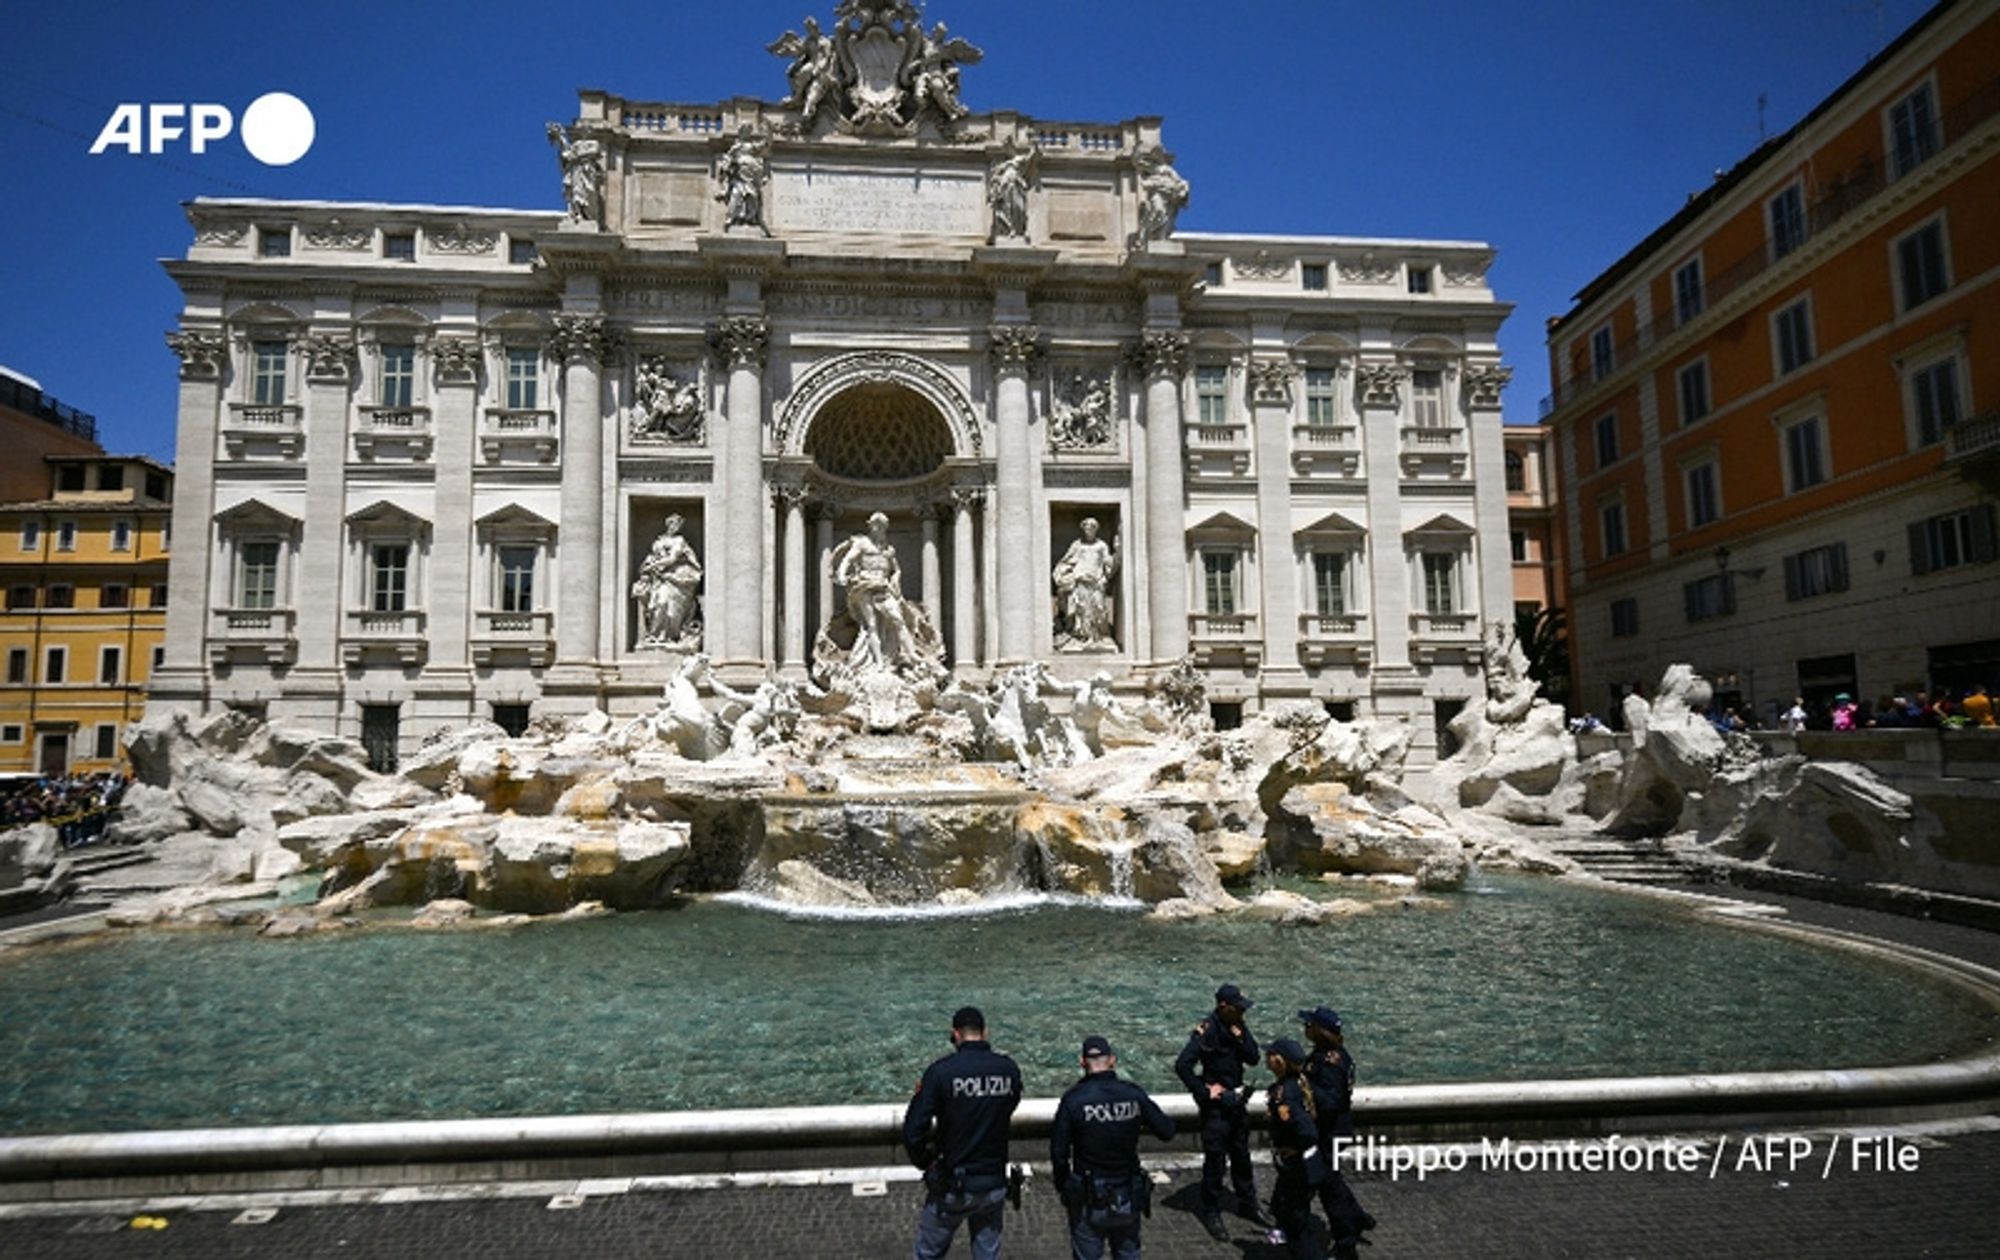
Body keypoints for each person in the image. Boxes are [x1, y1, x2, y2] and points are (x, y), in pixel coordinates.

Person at [904, 1006, 1024, 1260]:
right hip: (993, 1180)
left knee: (928, 1254)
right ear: (985, 1033)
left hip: (952, 1183)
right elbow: (1009, 1106)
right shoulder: (1008, 1070)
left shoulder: (940, 1072)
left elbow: (914, 1131)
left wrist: (926, 1163)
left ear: (954, 1034)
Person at [1050, 1035, 1176, 1260]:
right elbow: (1167, 1131)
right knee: (1128, 1253)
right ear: (1112, 1061)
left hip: (1088, 1194)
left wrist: (1064, 1186)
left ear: (1082, 1062)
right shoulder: (1133, 1094)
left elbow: (1058, 1152)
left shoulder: (1073, 1099)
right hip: (1127, 1189)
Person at [1174, 983, 1270, 1240]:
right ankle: (1211, 1209)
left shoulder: (1237, 1026)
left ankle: (1248, 1204)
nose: (1242, 1013)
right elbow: (1183, 1065)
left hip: (1237, 1103)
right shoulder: (1207, 1030)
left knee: (1241, 1156)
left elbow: (1253, 1058)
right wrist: (1204, 1091)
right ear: (1223, 1006)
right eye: (1237, 1008)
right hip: (1215, 1108)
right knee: (1215, 1161)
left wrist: (1241, 1037)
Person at [1299, 1007, 1375, 1260]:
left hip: (1328, 1133)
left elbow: (1331, 1101)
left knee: (1329, 1191)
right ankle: (1358, 1218)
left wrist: (1306, 1087)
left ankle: (1346, 1245)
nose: (1305, 1028)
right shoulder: (1332, 1055)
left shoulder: (1328, 1062)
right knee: (1332, 1181)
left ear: (1319, 1031)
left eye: (1309, 1024)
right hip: (1334, 1131)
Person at [1261, 1039, 1327, 1260]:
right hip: (1306, 1164)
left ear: (1279, 1061)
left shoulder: (1284, 1095)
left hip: (1300, 1166)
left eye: (1270, 1054)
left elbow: (1307, 1132)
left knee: (1296, 1223)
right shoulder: (1299, 1082)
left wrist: (1294, 1149)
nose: (1266, 1058)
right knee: (1291, 1216)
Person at [632, 516, 703, 648]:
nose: (675, 527)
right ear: (668, 524)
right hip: (658, 578)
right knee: (659, 603)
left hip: (676, 577)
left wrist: (653, 566)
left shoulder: (679, 541)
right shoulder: (659, 541)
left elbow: (672, 558)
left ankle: (670, 636)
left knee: (670, 607)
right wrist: (648, 567)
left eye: (678, 525)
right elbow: (653, 557)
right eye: (673, 524)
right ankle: (656, 636)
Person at [1053, 518, 1118, 651]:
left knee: (1098, 609)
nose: (1089, 530)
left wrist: (1117, 552)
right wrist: (1064, 572)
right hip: (1080, 581)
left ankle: (1097, 637)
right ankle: (1081, 637)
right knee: (1080, 610)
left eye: (1092, 528)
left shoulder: (1101, 545)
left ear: (1096, 529)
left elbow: (1108, 563)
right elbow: (1067, 560)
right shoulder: (1077, 545)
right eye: (1087, 528)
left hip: (1096, 581)